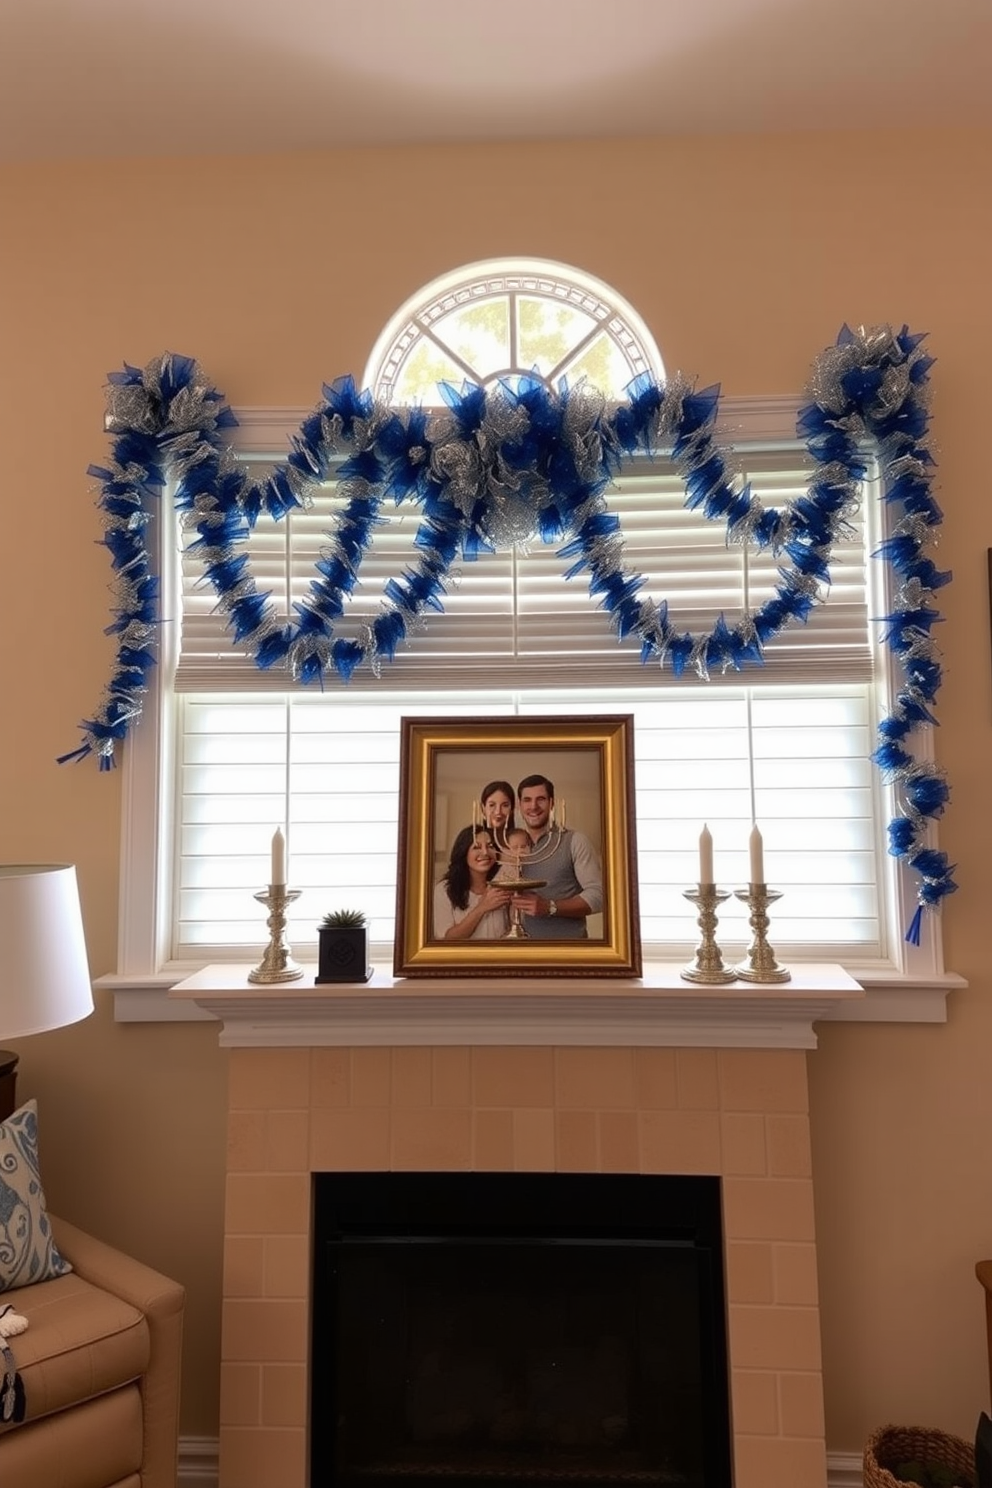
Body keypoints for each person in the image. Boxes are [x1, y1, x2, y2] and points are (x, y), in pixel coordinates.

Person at [510, 773, 603, 939]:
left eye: (541, 799)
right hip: (524, 950)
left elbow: (599, 896)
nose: (533, 806)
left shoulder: (575, 840)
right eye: (527, 800)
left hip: (568, 950)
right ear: (519, 805)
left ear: (552, 803)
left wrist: (550, 907)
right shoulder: (513, 847)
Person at [432, 825, 512, 941]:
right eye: (476, 847)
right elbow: (447, 939)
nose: (485, 852)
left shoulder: (502, 885)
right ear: (463, 853)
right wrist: (482, 907)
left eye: (490, 846)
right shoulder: (444, 890)